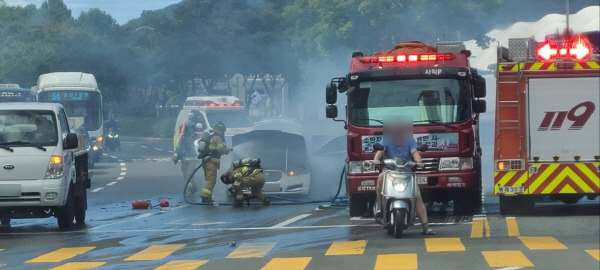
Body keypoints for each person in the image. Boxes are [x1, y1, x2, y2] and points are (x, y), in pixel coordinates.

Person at [373, 117, 437, 235]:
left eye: (400, 130)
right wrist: (376, 160)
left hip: (407, 172)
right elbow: (379, 154)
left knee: (417, 196)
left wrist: (419, 162)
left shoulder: (410, 141)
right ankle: (380, 205)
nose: (398, 132)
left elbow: (415, 153)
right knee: (380, 178)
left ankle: (425, 226)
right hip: (390, 171)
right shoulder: (386, 140)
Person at [199, 122, 230, 203]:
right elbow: (221, 149)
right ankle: (205, 196)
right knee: (211, 179)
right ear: (221, 130)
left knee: (208, 179)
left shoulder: (212, 137)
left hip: (206, 161)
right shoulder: (217, 138)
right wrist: (227, 150)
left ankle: (208, 196)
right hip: (211, 162)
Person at [173, 120, 200, 197]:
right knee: (185, 176)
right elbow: (178, 147)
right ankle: (193, 188)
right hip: (184, 159)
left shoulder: (196, 137)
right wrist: (175, 156)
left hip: (193, 159)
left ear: (193, 128)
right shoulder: (183, 137)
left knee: (189, 175)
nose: (190, 129)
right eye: (188, 128)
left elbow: (199, 147)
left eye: (191, 128)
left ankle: (189, 191)